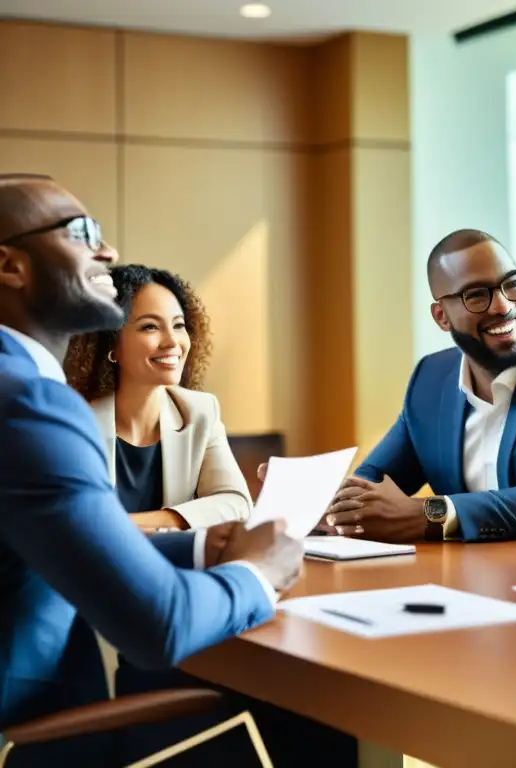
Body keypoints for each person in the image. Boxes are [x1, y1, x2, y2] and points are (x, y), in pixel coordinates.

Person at [0, 174, 304, 764]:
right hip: (34, 723)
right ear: (10, 266)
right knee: (303, 714)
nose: (107, 252)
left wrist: (200, 548)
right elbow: (158, 625)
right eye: (81, 232)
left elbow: (54, 549)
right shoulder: (28, 405)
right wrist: (261, 574)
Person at [317, 228, 516, 543]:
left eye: (513, 284)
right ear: (441, 316)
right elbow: (372, 483)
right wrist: (311, 505)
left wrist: (434, 514)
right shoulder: (431, 380)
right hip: (480, 581)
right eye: (477, 295)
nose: (503, 305)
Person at [64, 264, 250, 532]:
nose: (172, 342)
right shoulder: (75, 418)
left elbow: (236, 503)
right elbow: (73, 521)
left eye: (178, 325)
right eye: (150, 327)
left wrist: (131, 524)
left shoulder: (200, 412)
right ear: (110, 344)